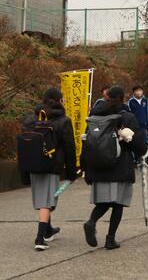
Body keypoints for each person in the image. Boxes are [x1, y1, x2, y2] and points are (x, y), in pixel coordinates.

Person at [82, 86, 147, 250]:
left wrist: (85, 167)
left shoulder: (94, 116)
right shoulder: (126, 117)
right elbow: (138, 145)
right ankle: (110, 239)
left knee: (103, 202)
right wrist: (143, 153)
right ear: (122, 98)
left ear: (106, 97)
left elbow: (87, 142)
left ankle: (91, 221)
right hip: (120, 166)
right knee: (118, 204)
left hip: (97, 166)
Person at [25, 88, 78, 251]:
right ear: (59, 100)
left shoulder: (31, 119)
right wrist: (72, 171)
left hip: (34, 164)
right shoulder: (63, 120)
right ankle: (40, 238)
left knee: (44, 199)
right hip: (52, 165)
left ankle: (48, 230)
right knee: (47, 202)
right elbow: (69, 147)